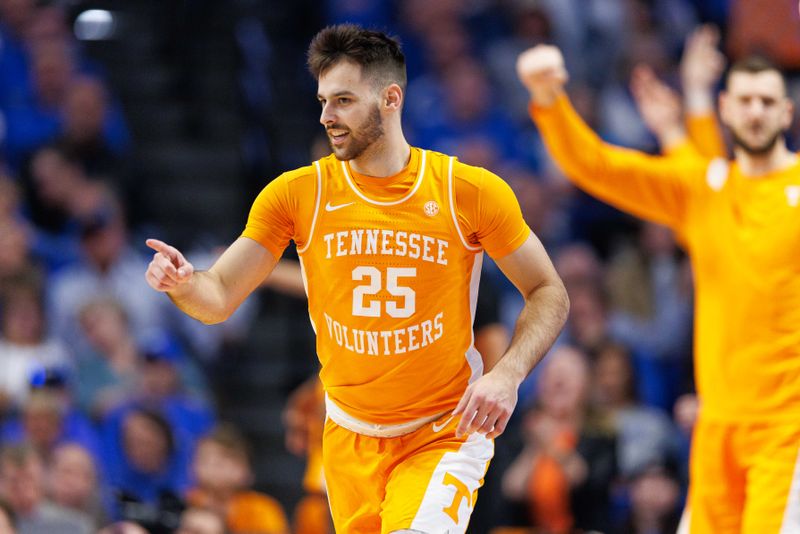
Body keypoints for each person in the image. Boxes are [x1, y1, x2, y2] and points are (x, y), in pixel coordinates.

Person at [145, 24, 568, 533]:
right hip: (348, 436)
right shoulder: (296, 195)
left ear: (390, 98)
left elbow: (549, 291)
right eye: (324, 101)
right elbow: (217, 299)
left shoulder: (467, 191)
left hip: (442, 431)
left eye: (343, 100)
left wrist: (507, 374)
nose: (327, 116)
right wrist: (183, 284)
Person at [517, 44, 800, 533]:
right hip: (715, 436)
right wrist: (548, 97)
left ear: (787, 111)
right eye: (746, 100)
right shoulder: (703, 190)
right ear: (725, 108)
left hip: (787, 435)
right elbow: (597, 166)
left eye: (768, 101)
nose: (756, 111)